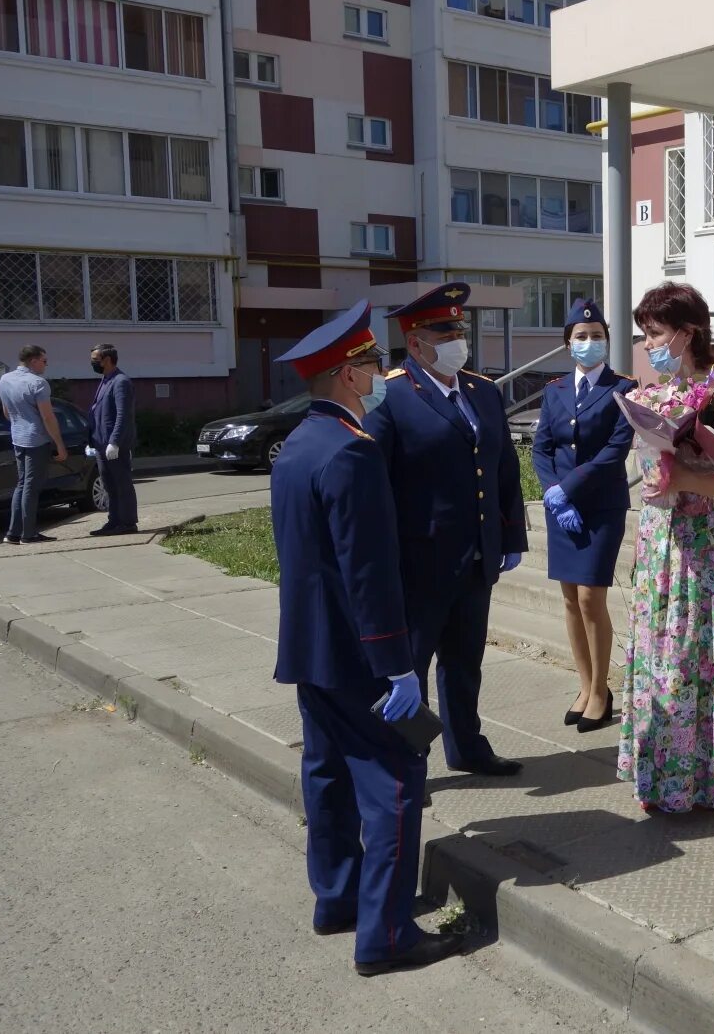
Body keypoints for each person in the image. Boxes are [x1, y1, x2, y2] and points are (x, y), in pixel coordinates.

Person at [269, 300, 462, 975]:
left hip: (309, 649)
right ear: (350, 376)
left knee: (326, 775)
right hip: (359, 655)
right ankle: (385, 935)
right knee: (396, 785)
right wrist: (398, 666)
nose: (383, 372)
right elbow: (369, 572)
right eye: (374, 363)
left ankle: (337, 898)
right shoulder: (352, 453)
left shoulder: (298, 445)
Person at [617, 283, 714, 813]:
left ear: (687, 334)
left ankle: (713, 778)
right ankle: (664, 778)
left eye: (655, 333)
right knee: (666, 658)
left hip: (708, 545)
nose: (648, 344)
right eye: (644, 334)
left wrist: (685, 474)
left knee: (706, 658)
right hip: (662, 542)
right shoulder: (654, 393)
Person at [365, 282, 527, 777]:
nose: (459, 338)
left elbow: (503, 472)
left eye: (460, 328)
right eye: (446, 331)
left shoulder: (480, 391)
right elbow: (374, 486)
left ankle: (467, 748)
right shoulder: (389, 397)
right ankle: (403, 763)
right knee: (407, 671)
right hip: (419, 564)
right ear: (416, 343)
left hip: (477, 558)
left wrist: (511, 538)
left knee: (464, 663)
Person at [532, 299, 637, 733]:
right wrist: (552, 494)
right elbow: (542, 447)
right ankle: (584, 685)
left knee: (593, 598)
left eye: (597, 336)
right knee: (570, 600)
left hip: (600, 507)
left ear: (607, 342)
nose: (589, 343)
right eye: (581, 337)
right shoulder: (554, 390)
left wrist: (567, 489)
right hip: (562, 508)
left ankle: (601, 690)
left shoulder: (624, 389)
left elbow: (615, 450)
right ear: (567, 343)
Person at [0, 344, 68, 544]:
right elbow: (47, 417)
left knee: (21, 484)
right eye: (44, 361)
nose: (46, 365)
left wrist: (20, 423)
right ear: (34, 360)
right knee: (31, 486)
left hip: (17, 436)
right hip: (36, 439)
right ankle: (28, 534)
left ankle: (13, 532)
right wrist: (59, 444)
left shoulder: (5, 379)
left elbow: (6, 411)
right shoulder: (38, 383)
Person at [88, 344, 138, 536]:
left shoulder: (120, 381)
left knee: (121, 483)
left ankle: (127, 522)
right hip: (100, 444)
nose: (92, 363)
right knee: (109, 484)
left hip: (114, 445)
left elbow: (123, 415)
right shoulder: (105, 380)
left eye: (95, 359)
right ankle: (114, 520)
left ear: (107, 360)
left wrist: (115, 441)